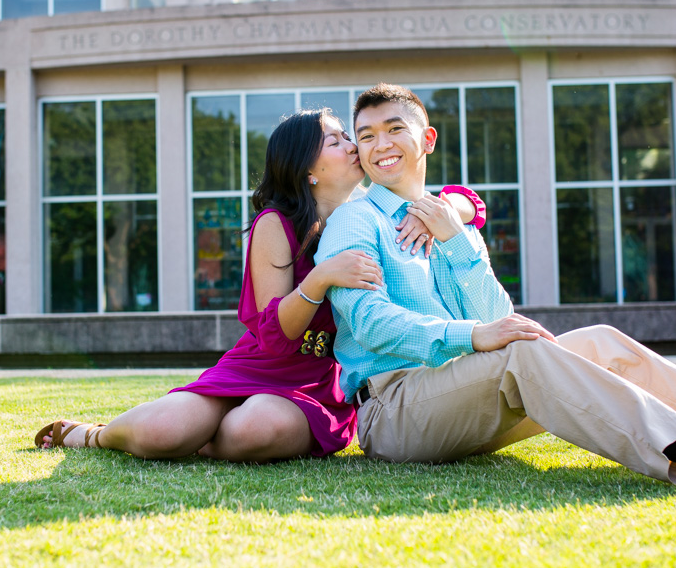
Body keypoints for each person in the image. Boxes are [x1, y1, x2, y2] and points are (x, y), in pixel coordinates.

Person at [315, 83, 676, 491]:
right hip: (395, 411)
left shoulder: (454, 223)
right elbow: (369, 321)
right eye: (364, 135)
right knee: (527, 355)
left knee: (602, 341)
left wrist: (457, 240)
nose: (379, 143)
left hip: (463, 397)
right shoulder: (356, 221)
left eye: (394, 128)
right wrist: (472, 334)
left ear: (427, 139)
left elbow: (500, 316)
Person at [35, 108, 487, 462]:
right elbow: (273, 334)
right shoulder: (277, 224)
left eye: (349, 137)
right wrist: (323, 275)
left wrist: (451, 214)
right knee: (163, 432)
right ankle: (91, 435)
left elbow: (471, 202)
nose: (355, 145)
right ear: (307, 168)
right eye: (337, 140)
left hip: (322, 379)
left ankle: (206, 439)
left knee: (255, 431)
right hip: (263, 364)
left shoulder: (372, 212)